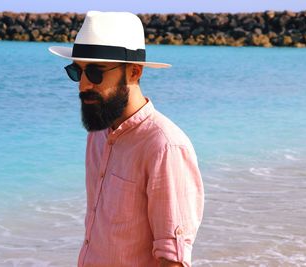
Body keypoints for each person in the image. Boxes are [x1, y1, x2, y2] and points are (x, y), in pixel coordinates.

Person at [49, 11, 204, 267]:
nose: (83, 85)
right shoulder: (98, 133)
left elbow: (172, 259)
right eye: (77, 72)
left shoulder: (165, 147)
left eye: (96, 73)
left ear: (134, 72)